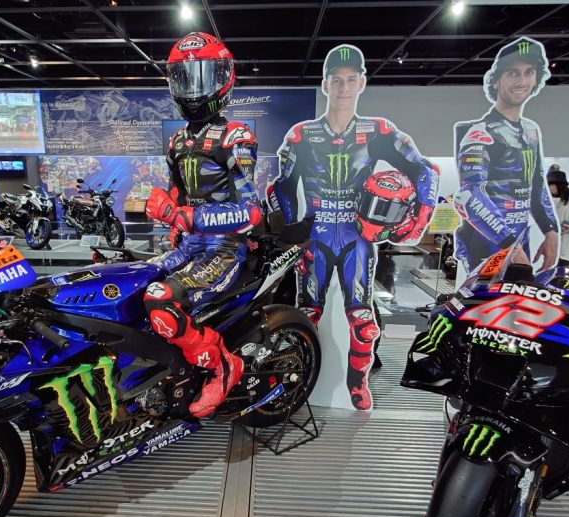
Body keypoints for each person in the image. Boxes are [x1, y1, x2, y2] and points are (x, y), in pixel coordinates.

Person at [271, 43, 439, 410]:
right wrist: (291, 230)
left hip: (358, 237)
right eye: (336, 80)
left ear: (361, 83)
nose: (343, 87)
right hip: (315, 237)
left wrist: (418, 219)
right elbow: (280, 187)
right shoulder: (301, 134)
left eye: (350, 79)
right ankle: (300, 383)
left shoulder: (378, 131)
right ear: (325, 85)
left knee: (364, 322)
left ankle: (357, 385)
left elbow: (426, 170)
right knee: (305, 316)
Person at [142, 33, 262, 418]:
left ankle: (223, 365)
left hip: (225, 249)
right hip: (188, 247)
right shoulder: (176, 142)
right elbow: (178, 194)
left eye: (203, 77)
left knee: (160, 299)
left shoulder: (235, 136)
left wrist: (186, 217)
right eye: (184, 77)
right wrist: (174, 217)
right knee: (130, 283)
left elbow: (251, 213)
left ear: (224, 78)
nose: (193, 89)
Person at [453, 36, 559, 275]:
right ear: (497, 79)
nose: (522, 81)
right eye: (513, 73)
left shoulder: (531, 130)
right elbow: (470, 196)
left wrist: (551, 230)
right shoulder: (481, 133)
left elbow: (536, 184)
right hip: (488, 243)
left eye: (529, 72)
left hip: (519, 238)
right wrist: (509, 244)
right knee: (485, 301)